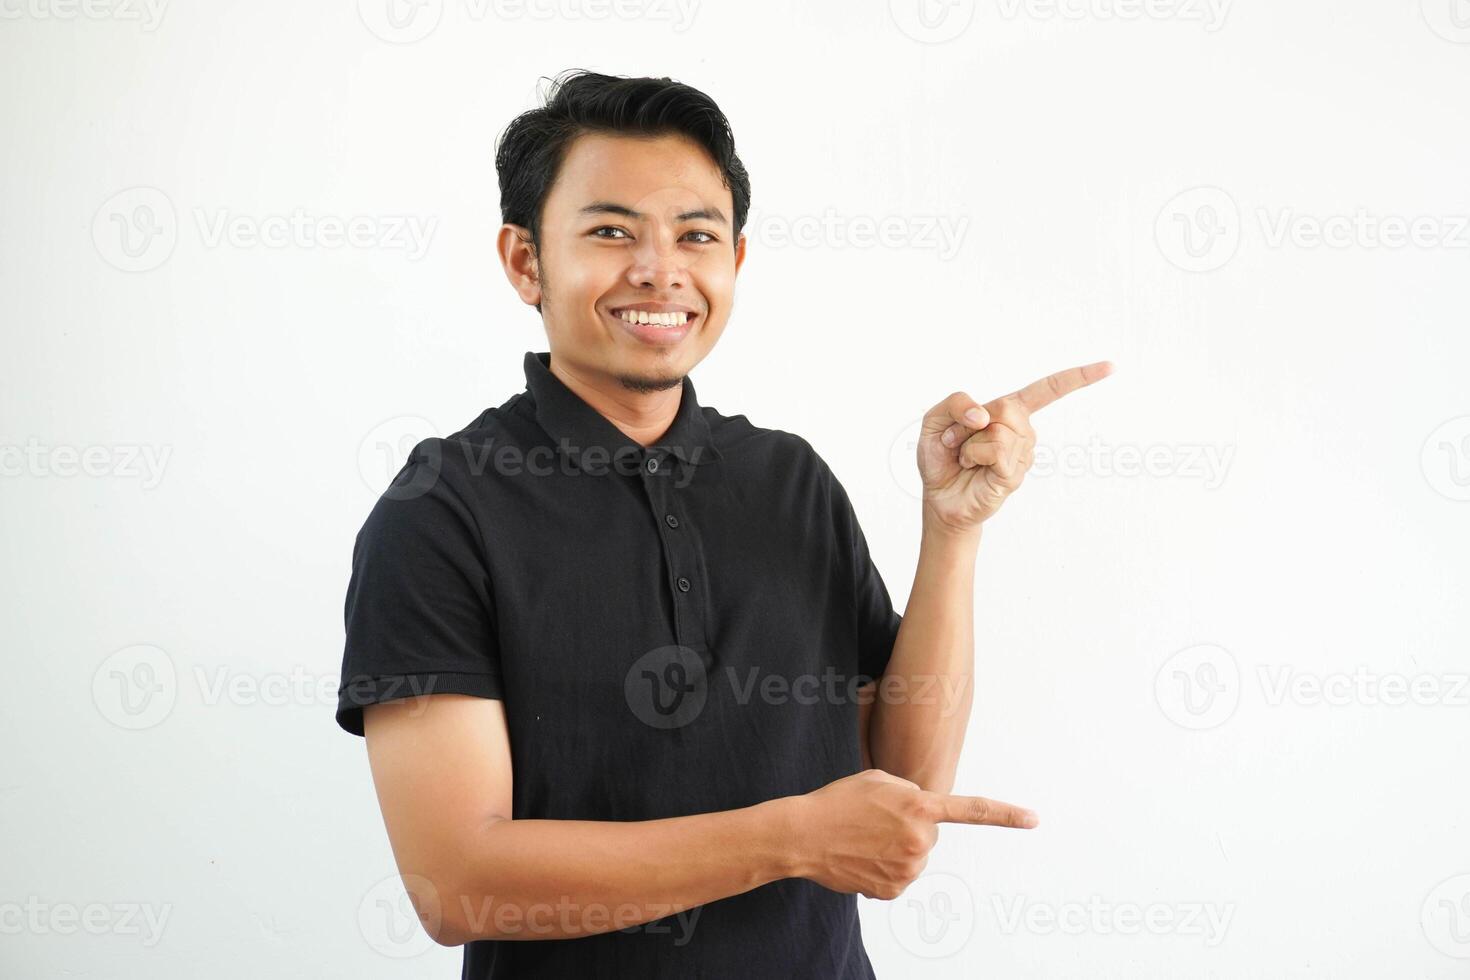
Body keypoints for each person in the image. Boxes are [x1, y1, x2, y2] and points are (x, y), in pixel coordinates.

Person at [335, 69, 1111, 979]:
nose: (660, 269)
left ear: (734, 262)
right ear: (524, 261)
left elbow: (902, 782)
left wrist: (952, 533)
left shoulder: (789, 481)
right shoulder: (443, 506)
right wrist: (789, 839)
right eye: (611, 231)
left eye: (695, 235)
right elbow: (457, 884)